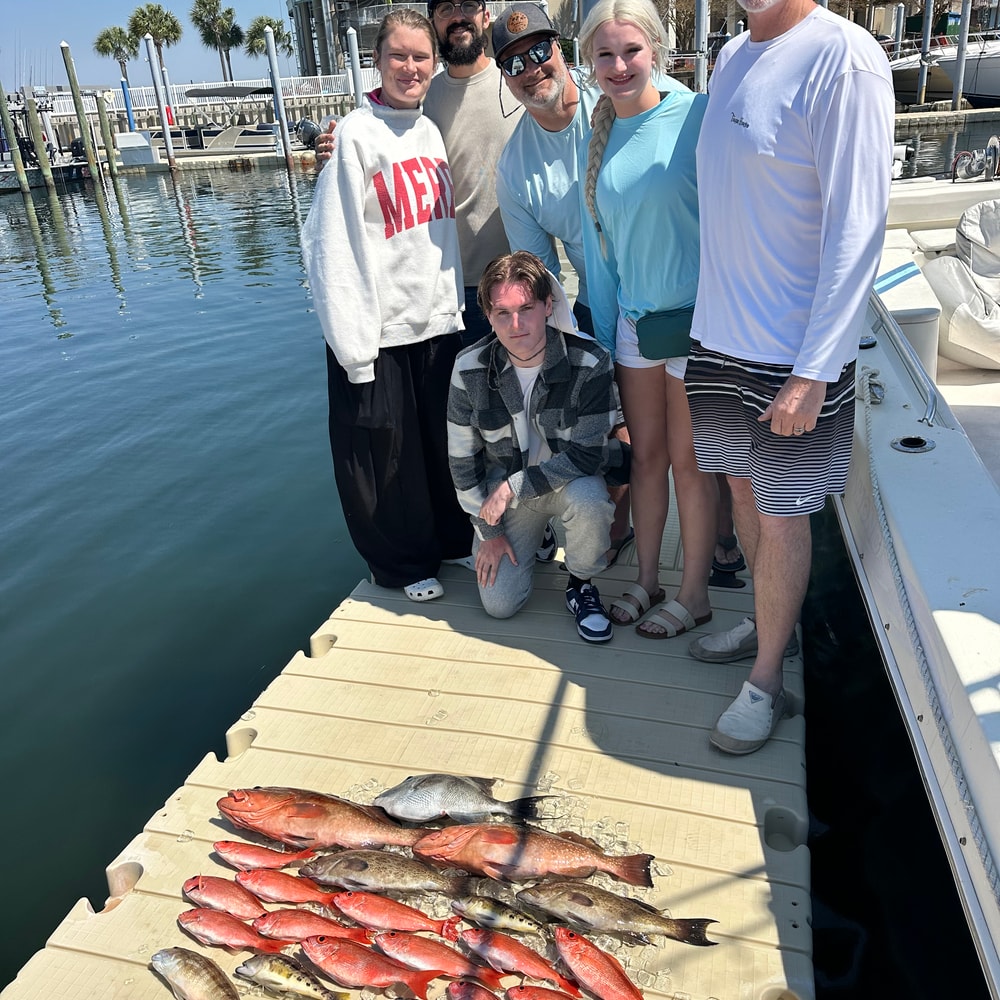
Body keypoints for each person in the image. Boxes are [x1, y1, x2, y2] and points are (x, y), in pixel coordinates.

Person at [686, 0, 894, 753]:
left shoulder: (846, 58)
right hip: (718, 338)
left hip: (790, 354)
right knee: (740, 488)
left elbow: (859, 224)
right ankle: (760, 623)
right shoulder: (732, 54)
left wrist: (813, 370)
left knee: (782, 513)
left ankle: (770, 674)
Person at [301, 8, 472, 604]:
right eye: (398, 55)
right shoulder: (353, 134)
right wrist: (354, 349)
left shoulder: (429, 131)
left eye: (420, 57)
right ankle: (399, 564)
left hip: (436, 321)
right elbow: (333, 245)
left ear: (434, 64)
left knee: (440, 445)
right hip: (378, 331)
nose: (410, 67)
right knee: (383, 458)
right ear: (376, 60)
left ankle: (452, 539)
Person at [578, 0, 717, 640]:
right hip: (636, 327)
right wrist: (607, 338)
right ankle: (648, 578)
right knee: (645, 462)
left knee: (690, 462)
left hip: (696, 323)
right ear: (590, 63)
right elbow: (601, 256)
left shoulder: (696, 115)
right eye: (604, 54)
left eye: (630, 50)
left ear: (655, 50)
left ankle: (694, 592)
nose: (618, 65)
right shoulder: (598, 138)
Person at [315, 0, 522, 346]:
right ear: (433, 22)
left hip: (522, 277)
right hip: (454, 291)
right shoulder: (422, 97)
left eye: (468, 5)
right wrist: (334, 154)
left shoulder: (520, 82)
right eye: (445, 9)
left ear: (486, 15)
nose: (458, 17)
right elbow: (379, 135)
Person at [447, 251, 628, 643]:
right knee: (499, 605)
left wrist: (514, 485)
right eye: (502, 313)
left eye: (526, 308)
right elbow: (462, 462)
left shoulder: (591, 361)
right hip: (502, 496)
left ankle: (580, 583)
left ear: (549, 305)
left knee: (591, 502)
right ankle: (537, 535)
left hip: (565, 484)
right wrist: (487, 532)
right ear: (488, 315)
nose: (516, 325)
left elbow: (587, 454)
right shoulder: (467, 368)